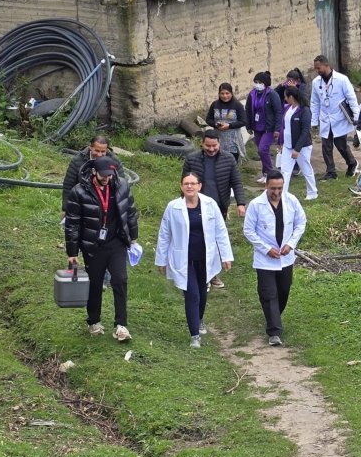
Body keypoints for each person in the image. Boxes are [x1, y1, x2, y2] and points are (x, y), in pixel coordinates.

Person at [154, 171, 234, 348]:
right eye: (186, 183)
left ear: (199, 186)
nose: (189, 186)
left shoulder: (210, 204)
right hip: (184, 258)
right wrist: (161, 259)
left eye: (193, 183)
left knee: (202, 292)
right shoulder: (173, 207)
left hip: (205, 257)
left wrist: (226, 256)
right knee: (192, 294)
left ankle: (199, 318)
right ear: (181, 187)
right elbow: (165, 233)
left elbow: (220, 231)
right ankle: (195, 335)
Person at [65, 155, 139, 342]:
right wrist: (72, 253)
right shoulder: (79, 191)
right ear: (94, 172)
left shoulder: (121, 186)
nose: (107, 179)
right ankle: (94, 321)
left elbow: (130, 212)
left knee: (120, 280)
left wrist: (134, 238)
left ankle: (121, 325)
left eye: (110, 176)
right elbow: (72, 223)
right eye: (103, 176)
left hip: (116, 242)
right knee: (95, 284)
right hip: (93, 244)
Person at [243, 170, 306, 346]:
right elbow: (248, 231)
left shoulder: (292, 201)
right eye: (273, 188)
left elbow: (301, 223)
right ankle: (274, 332)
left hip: (286, 258)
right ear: (266, 186)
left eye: (279, 188)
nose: (276, 192)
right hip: (265, 260)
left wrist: (291, 244)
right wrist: (266, 249)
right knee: (269, 293)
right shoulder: (256, 205)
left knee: (283, 291)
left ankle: (273, 317)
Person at [182, 132, 246, 289]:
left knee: (215, 240)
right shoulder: (192, 159)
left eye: (214, 146)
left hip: (219, 207)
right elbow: (185, 183)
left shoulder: (229, 159)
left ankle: (213, 274)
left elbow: (236, 182)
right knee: (198, 240)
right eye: (208, 146)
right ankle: (199, 274)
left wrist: (241, 203)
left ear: (219, 144)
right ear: (201, 144)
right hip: (196, 207)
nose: (211, 149)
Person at [311, 55, 359, 180]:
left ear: (326, 65)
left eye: (319, 68)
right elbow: (315, 102)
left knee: (341, 145)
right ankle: (331, 172)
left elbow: (351, 98)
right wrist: (314, 121)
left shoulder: (342, 79)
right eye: (316, 68)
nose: (317, 71)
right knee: (326, 146)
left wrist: (357, 116)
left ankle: (352, 163)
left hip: (339, 118)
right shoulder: (316, 82)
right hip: (325, 119)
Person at [61, 134, 118, 215]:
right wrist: (66, 208)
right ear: (90, 147)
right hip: (82, 204)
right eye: (97, 151)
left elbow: (120, 185)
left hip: (106, 205)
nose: (99, 154)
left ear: (107, 150)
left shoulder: (114, 161)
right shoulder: (78, 161)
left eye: (103, 151)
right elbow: (68, 185)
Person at [279, 86, 317, 200]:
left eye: (286, 96)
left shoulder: (304, 110)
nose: (285, 99)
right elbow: (284, 128)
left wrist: (297, 149)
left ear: (291, 97)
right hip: (287, 145)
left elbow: (305, 131)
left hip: (302, 147)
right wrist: (281, 142)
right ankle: (282, 194)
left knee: (306, 169)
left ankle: (312, 192)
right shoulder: (288, 109)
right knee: (285, 171)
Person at [245, 71, 283, 184]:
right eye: (256, 82)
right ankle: (265, 173)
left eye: (260, 82)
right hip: (257, 127)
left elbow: (278, 112)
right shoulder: (252, 94)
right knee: (262, 152)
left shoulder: (272, 95)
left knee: (263, 149)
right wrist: (248, 125)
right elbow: (248, 110)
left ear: (266, 83)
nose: (257, 84)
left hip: (269, 128)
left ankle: (271, 174)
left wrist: (277, 129)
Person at [207, 82, 247, 163]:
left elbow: (244, 121)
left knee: (232, 163)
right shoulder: (215, 104)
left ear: (231, 93)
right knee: (218, 163)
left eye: (227, 93)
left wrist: (229, 125)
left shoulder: (237, 105)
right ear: (219, 94)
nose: (225, 96)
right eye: (222, 93)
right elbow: (208, 119)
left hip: (233, 140)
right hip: (218, 139)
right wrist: (216, 124)